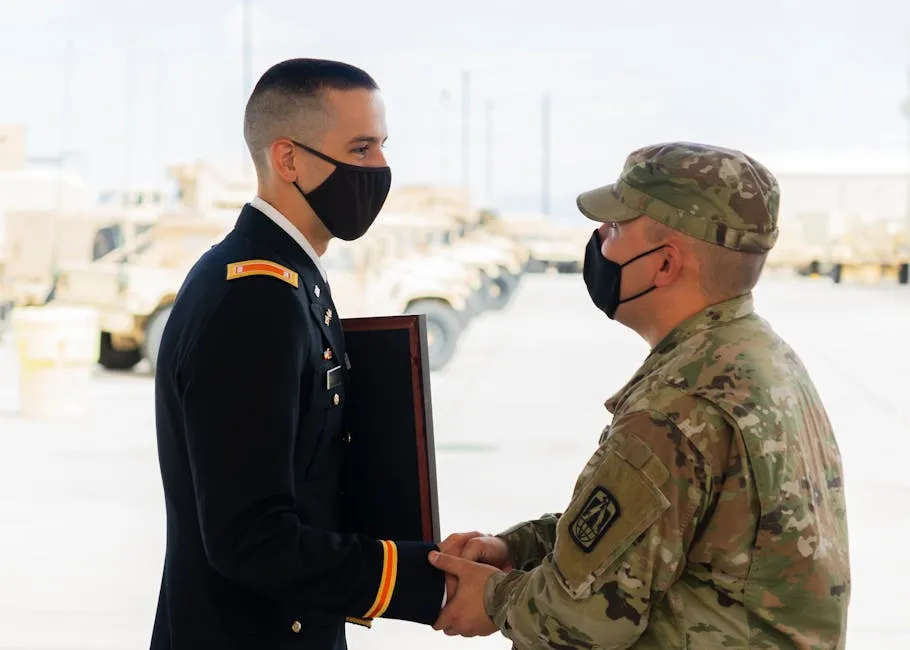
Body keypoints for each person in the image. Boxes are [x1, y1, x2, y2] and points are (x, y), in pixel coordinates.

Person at [428, 142, 851, 648]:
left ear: (665, 265)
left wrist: (494, 599)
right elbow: (651, 532)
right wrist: (518, 547)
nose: (600, 241)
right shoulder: (756, 355)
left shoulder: (678, 406)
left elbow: (583, 618)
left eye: (616, 229)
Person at [150, 58, 445, 649]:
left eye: (383, 146)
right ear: (287, 159)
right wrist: (425, 584)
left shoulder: (289, 280)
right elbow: (251, 537)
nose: (381, 168)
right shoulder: (254, 298)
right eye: (361, 148)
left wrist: (420, 555)